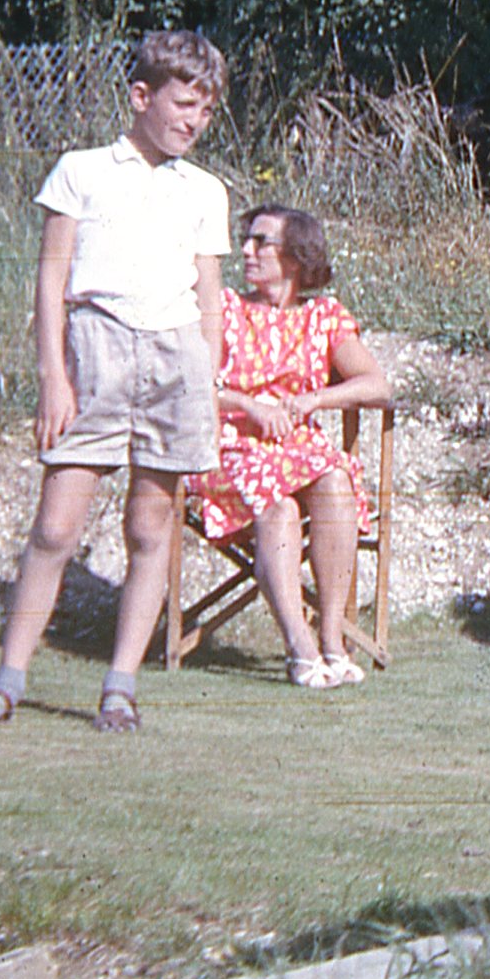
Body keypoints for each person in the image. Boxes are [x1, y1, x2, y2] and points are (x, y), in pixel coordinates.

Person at [0, 31, 230, 733]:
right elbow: (51, 278)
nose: (193, 121)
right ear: (141, 96)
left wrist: (210, 384)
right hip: (96, 351)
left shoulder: (204, 189)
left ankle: (120, 686)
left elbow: (212, 298)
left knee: (148, 525)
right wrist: (54, 375)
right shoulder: (81, 170)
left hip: (176, 360)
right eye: (183, 104)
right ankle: (7, 682)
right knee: (56, 526)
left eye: (206, 110)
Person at [188, 205, 390, 689]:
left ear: (296, 257)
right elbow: (191, 385)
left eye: (262, 242)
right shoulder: (228, 312)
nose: (247, 251)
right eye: (247, 240)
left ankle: (333, 641)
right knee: (275, 511)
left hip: (295, 452)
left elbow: (378, 385)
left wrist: (315, 399)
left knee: (337, 479)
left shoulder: (323, 317)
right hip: (231, 449)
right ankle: (300, 647)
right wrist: (249, 405)